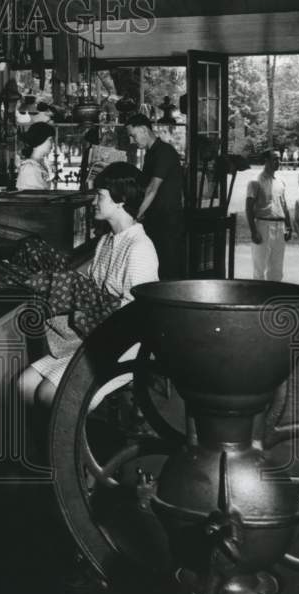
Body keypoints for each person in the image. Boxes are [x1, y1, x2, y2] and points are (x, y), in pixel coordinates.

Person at [17, 161, 159, 409]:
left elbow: (139, 317)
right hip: (95, 337)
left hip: (124, 347)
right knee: (24, 384)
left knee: (49, 394)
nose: (94, 202)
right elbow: (91, 292)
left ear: (120, 199)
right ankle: (47, 447)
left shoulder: (139, 248)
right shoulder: (106, 240)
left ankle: (65, 447)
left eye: (99, 196)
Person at [125, 113, 184, 279]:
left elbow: (152, 188)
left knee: (167, 269)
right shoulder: (151, 152)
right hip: (156, 219)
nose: (132, 140)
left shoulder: (164, 151)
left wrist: (135, 216)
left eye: (133, 135)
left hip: (168, 221)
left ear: (144, 130)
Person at [246, 149, 293, 281]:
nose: (278, 162)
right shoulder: (255, 181)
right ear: (265, 161)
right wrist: (253, 231)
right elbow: (249, 208)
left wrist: (289, 226)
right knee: (260, 266)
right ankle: (258, 299)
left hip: (280, 226)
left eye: (279, 159)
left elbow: (284, 205)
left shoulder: (281, 181)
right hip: (263, 225)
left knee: (277, 268)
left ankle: (274, 299)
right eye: (274, 159)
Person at [15, 122, 55, 190]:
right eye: (50, 140)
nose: (53, 143)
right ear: (40, 139)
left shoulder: (39, 164)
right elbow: (32, 198)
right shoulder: (29, 168)